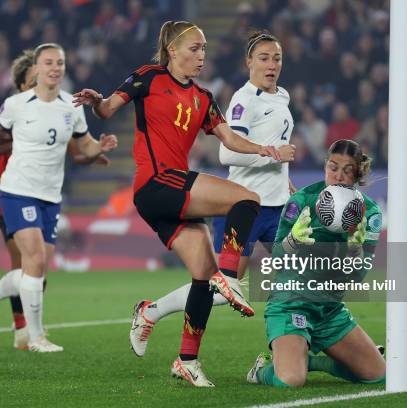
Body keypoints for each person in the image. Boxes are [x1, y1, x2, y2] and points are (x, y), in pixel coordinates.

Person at [73, 21, 294, 386]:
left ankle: (185, 359)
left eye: (204, 48)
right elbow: (108, 110)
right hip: (156, 183)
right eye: (194, 48)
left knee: (202, 279)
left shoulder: (204, 98)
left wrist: (263, 149)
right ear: (172, 50)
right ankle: (230, 277)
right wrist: (97, 102)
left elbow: (229, 139)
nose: (201, 55)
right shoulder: (149, 77)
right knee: (247, 198)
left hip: (172, 194)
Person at [127, 30, 297, 358]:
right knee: (216, 287)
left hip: (277, 205)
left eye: (276, 58)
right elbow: (228, 155)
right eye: (263, 58)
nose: (271, 64)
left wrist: (283, 177)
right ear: (249, 62)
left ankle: (314, 345)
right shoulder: (244, 101)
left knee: (297, 275)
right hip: (246, 207)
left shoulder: (283, 97)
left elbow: (271, 145)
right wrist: (274, 153)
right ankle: (152, 312)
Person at [0, 43, 118, 353]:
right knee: (36, 261)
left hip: (49, 197)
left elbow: (85, 147)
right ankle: (36, 337)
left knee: (36, 271)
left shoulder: (72, 106)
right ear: (37, 70)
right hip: (16, 190)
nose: (55, 67)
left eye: (59, 62)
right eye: (48, 63)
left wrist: (102, 146)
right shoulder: (17, 104)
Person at [247, 139, 386, 387]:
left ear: (357, 173)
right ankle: (261, 371)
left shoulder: (370, 213)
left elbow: (356, 279)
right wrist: (292, 241)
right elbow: (277, 258)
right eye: (333, 167)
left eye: (347, 170)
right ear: (325, 166)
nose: (339, 176)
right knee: (290, 380)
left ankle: (310, 361)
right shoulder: (301, 200)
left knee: (380, 376)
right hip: (291, 305)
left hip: (330, 311)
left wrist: (356, 254)